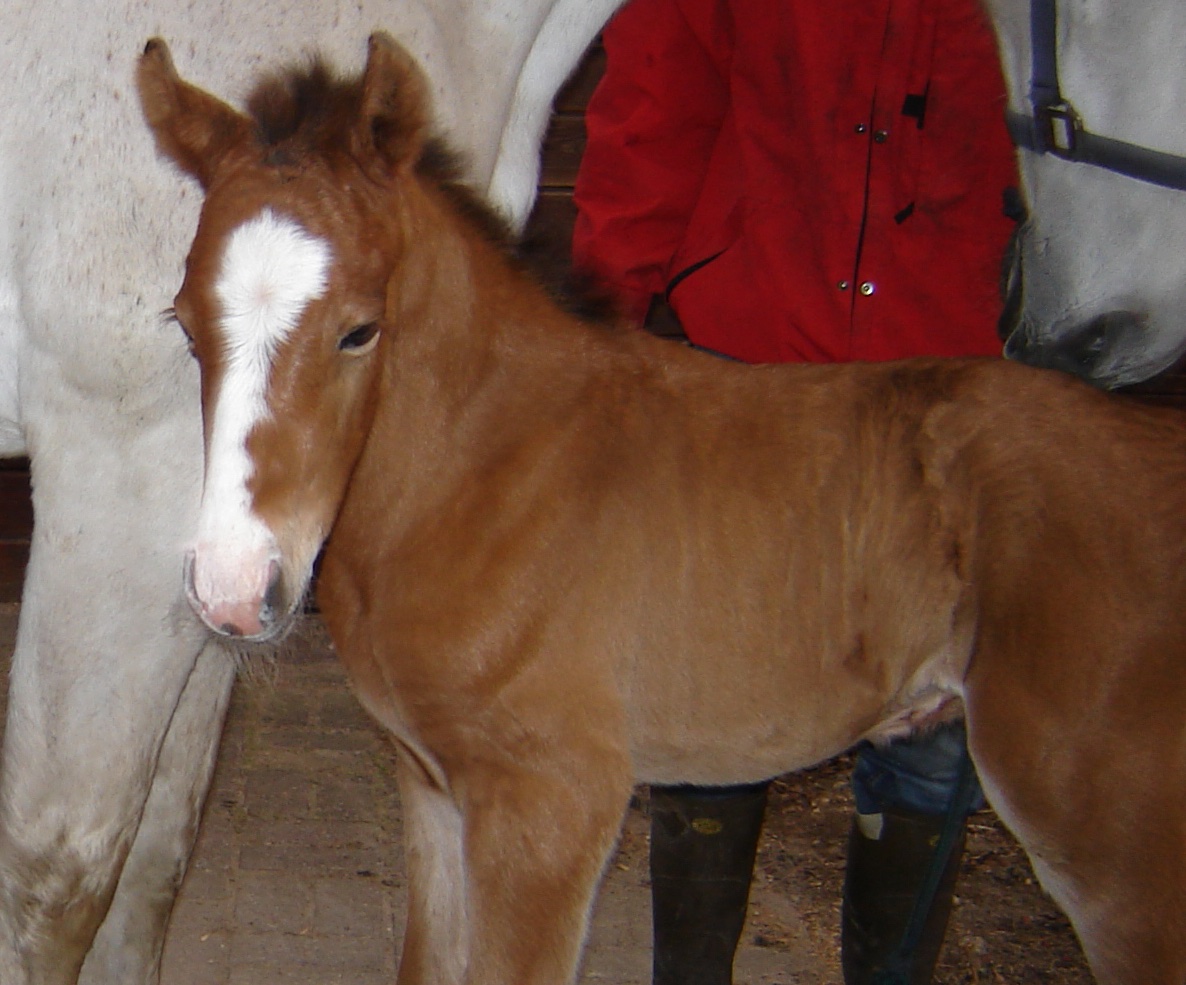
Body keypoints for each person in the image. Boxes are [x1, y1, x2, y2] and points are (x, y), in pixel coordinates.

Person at [570, 1, 1020, 983]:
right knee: (708, 688)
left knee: (936, 726)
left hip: (950, 384)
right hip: (754, 368)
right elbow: (656, 99)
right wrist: (599, 339)